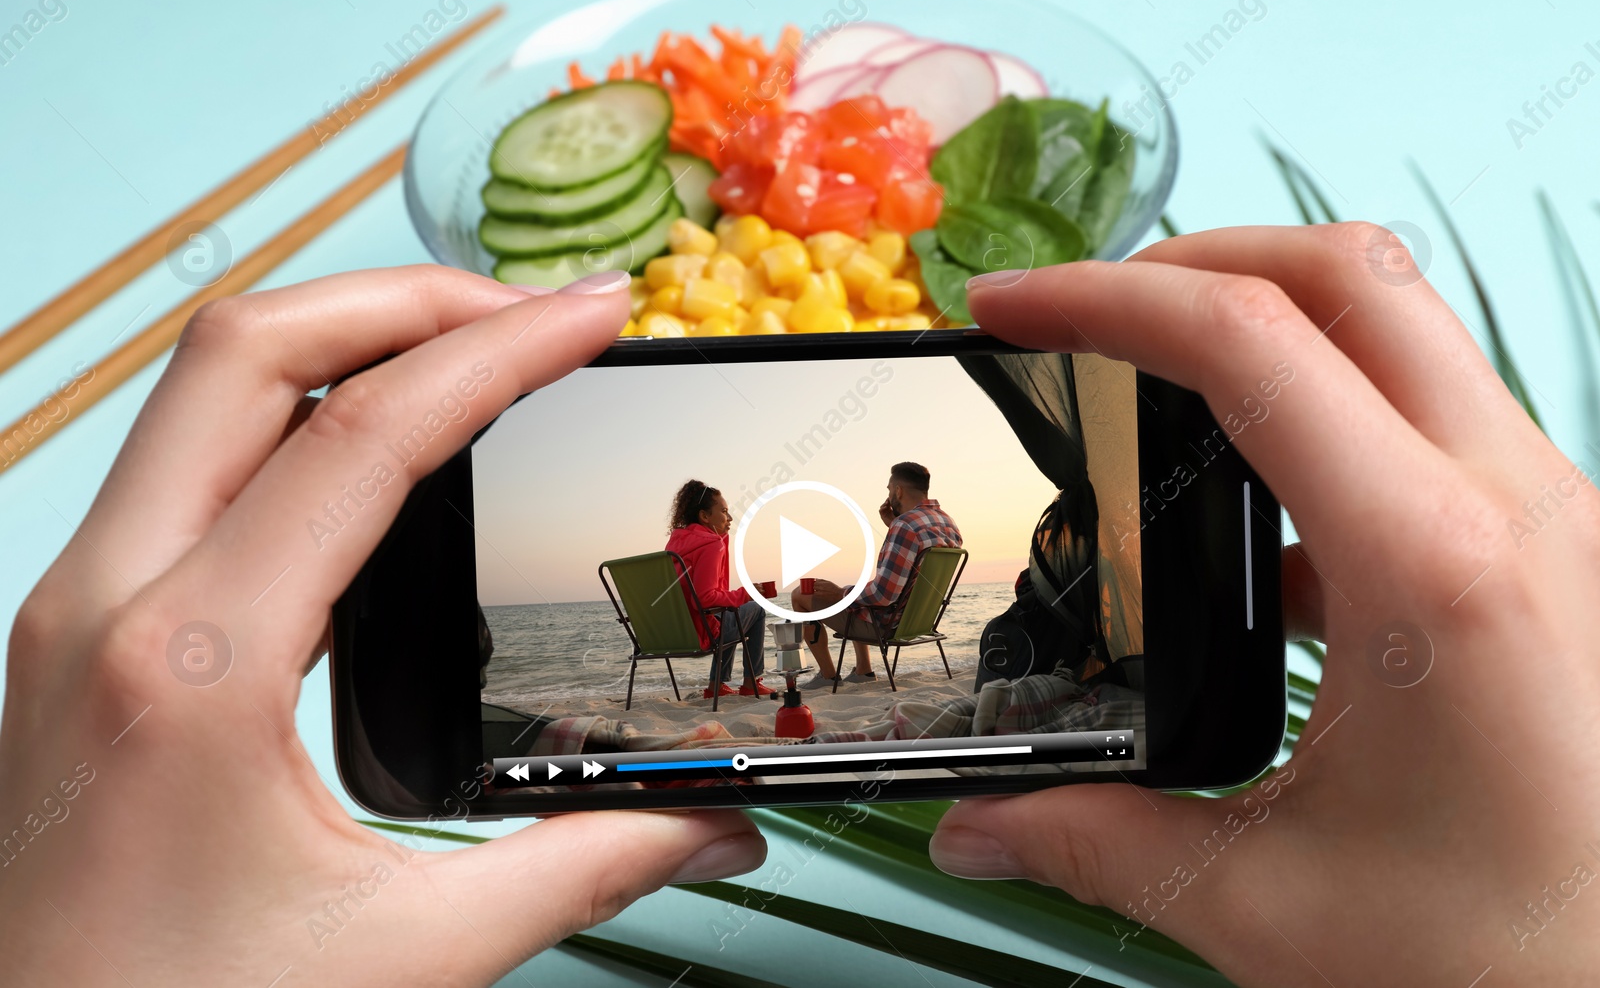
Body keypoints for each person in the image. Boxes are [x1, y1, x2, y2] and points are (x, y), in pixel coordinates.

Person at [4, 223, 1598, 986]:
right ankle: (800, 681)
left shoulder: (714, 552)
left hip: (716, 638)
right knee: (796, 629)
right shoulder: (835, 547)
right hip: (794, 626)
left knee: (787, 630)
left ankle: (738, 699)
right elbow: (845, 580)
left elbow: (768, 583)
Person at [791, 462, 962, 686]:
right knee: (856, 590)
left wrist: (841, 593)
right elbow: (914, 566)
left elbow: (883, 595)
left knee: (800, 595)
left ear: (898, 490)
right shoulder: (948, 523)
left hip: (887, 625)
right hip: (919, 621)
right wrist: (893, 525)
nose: (890, 495)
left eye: (890, 489)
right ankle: (864, 671)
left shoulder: (905, 526)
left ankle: (828, 676)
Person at [664, 479, 776, 699]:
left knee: (729, 612)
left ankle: (717, 686)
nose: (730, 517)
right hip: (699, 634)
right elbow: (705, 598)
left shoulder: (676, 544)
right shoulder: (710, 544)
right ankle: (751, 682)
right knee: (755, 609)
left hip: (669, 635)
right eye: (724, 511)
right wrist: (747, 593)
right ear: (705, 517)